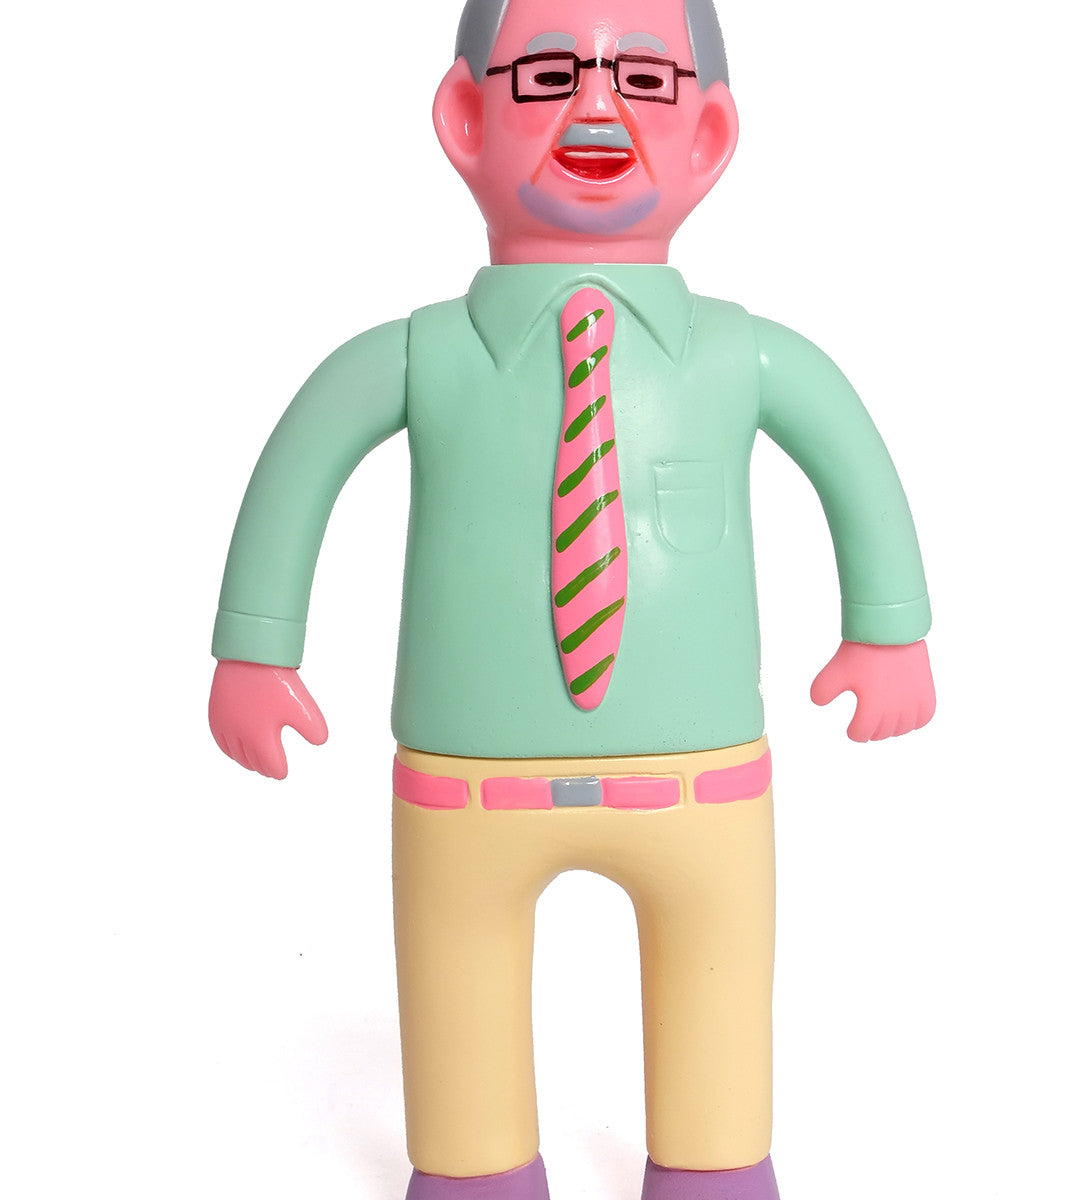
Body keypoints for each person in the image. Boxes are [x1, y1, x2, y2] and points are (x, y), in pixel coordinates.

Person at [209, 2, 936, 1197]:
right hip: (466, 781)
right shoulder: (422, 355)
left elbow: (850, 457)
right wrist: (255, 647)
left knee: (717, 978)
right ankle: (474, 1166)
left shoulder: (740, 354)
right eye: (548, 76)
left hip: (703, 776)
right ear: (464, 118)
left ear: (708, 135)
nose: (596, 106)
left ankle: (713, 1164)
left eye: (643, 80)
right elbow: (305, 459)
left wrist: (888, 628)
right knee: (460, 980)